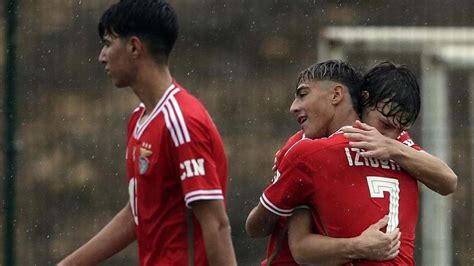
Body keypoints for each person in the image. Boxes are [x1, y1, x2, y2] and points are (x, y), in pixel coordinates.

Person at [59, 1, 236, 265]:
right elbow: (137, 214)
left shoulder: (181, 121)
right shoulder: (140, 120)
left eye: (108, 43)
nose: (102, 56)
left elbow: (217, 224)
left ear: (133, 47)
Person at [246, 60, 455, 265]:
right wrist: (358, 246)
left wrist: (393, 149)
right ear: (364, 102)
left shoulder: (395, 143)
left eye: (303, 95)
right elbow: (297, 247)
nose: (390, 135)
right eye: (384, 124)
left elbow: (449, 181)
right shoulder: (307, 150)